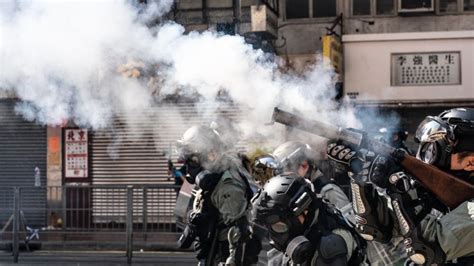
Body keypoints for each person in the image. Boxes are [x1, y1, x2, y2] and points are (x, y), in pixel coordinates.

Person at [328, 107, 474, 265]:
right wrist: (359, 175)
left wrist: (397, 185)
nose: (428, 156)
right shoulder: (438, 194)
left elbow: (426, 250)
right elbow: (375, 230)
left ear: (471, 163)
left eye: (434, 150)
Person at [176, 125, 261, 266]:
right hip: (212, 252)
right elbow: (181, 210)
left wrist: (231, 262)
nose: (189, 166)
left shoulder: (226, 184)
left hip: (225, 253)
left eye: (194, 160)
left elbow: (241, 232)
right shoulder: (213, 177)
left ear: (212, 155)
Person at [251, 173, 367, 265]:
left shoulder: (329, 245)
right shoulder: (316, 222)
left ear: (304, 211)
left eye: (280, 226)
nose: (275, 236)